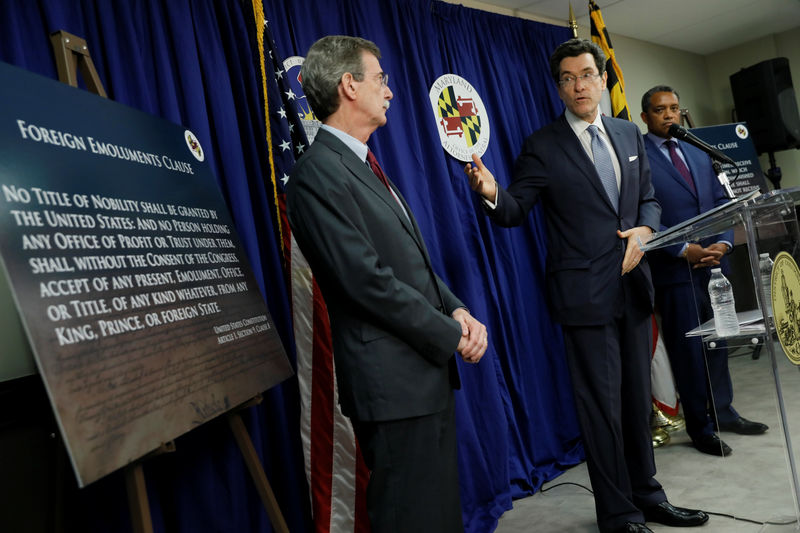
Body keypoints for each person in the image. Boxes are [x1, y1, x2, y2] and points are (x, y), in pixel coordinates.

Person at [464, 39, 708, 533]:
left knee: (637, 404)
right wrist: (491, 193)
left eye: (587, 75)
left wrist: (645, 228)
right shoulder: (543, 144)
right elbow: (514, 211)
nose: (579, 85)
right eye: (568, 78)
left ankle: (649, 495)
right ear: (558, 88)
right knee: (602, 412)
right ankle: (618, 514)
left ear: (602, 80)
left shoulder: (626, 132)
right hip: (583, 298)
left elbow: (650, 201)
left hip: (635, 291)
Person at [286, 35, 487, 533]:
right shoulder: (317, 175)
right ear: (349, 85)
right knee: (409, 519)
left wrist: (456, 308)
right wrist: (449, 332)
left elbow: (411, 264)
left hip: (421, 373)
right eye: (380, 79)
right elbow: (366, 282)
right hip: (391, 384)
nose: (390, 90)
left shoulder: (364, 165)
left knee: (437, 514)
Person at [640, 85, 768, 457]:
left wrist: (724, 244)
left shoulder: (697, 150)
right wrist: (685, 251)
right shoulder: (640, 159)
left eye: (675, 108)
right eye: (660, 110)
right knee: (689, 350)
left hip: (716, 266)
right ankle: (700, 426)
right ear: (645, 116)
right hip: (676, 271)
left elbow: (722, 203)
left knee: (719, 341)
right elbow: (643, 217)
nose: (669, 115)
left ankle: (724, 412)